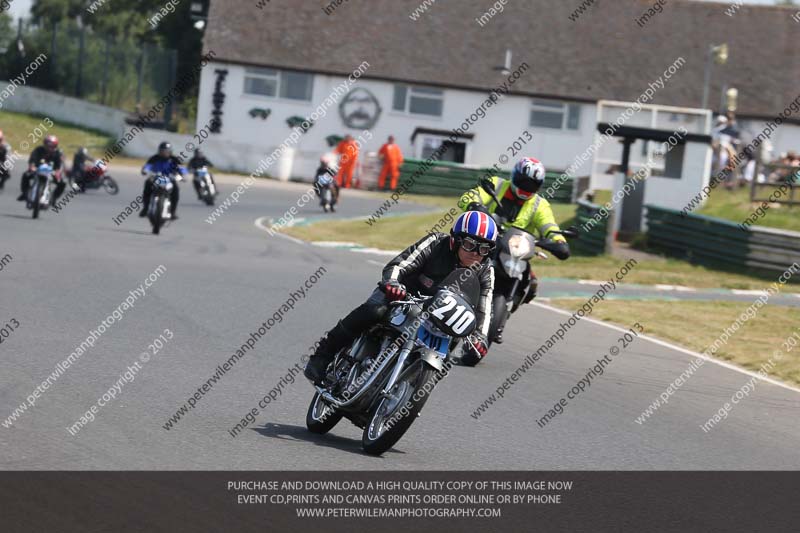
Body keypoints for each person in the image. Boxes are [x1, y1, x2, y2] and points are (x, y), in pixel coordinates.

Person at [304, 211, 498, 384]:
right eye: (470, 244)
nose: (475, 253)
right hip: (404, 296)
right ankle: (323, 354)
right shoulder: (435, 243)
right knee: (374, 310)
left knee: (452, 346)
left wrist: (481, 336)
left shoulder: (485, 270)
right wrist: (393, 283)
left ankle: (414, 386)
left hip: (439, 316)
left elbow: (485, 307)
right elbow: (399, 264)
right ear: (455, 240)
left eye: (483, 248)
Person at [458, 157, 570, 341]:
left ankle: (503, 315)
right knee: (462, 258)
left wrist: (558, 241)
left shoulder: (539, 205)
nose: (527, 186)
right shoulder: (497, 184)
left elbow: (549, 226)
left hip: (517, 250)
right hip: (487, 241)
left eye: (532, 184)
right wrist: (475, 205)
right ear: (515, 176)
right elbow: (471, 195)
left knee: (532, 284)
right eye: (524, 181)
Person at [138, 141, 186, 219]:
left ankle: (173, 212)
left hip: (170, 179)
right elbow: (148, 166)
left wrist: (182, 175)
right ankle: (145, 208)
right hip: (156, 178)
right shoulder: (154, 158)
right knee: (147, 184)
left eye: (166, 151)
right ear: (159, 151)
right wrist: (145, 170)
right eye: (162, 151)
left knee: (176, 190)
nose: (164, 153)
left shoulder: (174, 159)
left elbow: (181, 168)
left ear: (170, 151)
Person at [17, 134, 66, 206]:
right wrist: (32, 166)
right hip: (37, 170)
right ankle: (25, 193)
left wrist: (57, 172)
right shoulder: (38, 150)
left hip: (51, 172)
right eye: (47, 145)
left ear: (55, 146)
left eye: (51, 146)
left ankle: (54, 198)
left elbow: (61, 164)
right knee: (25, 175)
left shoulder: (58, 153)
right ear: (44, 144)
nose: (49, 148)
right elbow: (32, 159)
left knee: (63, 182)